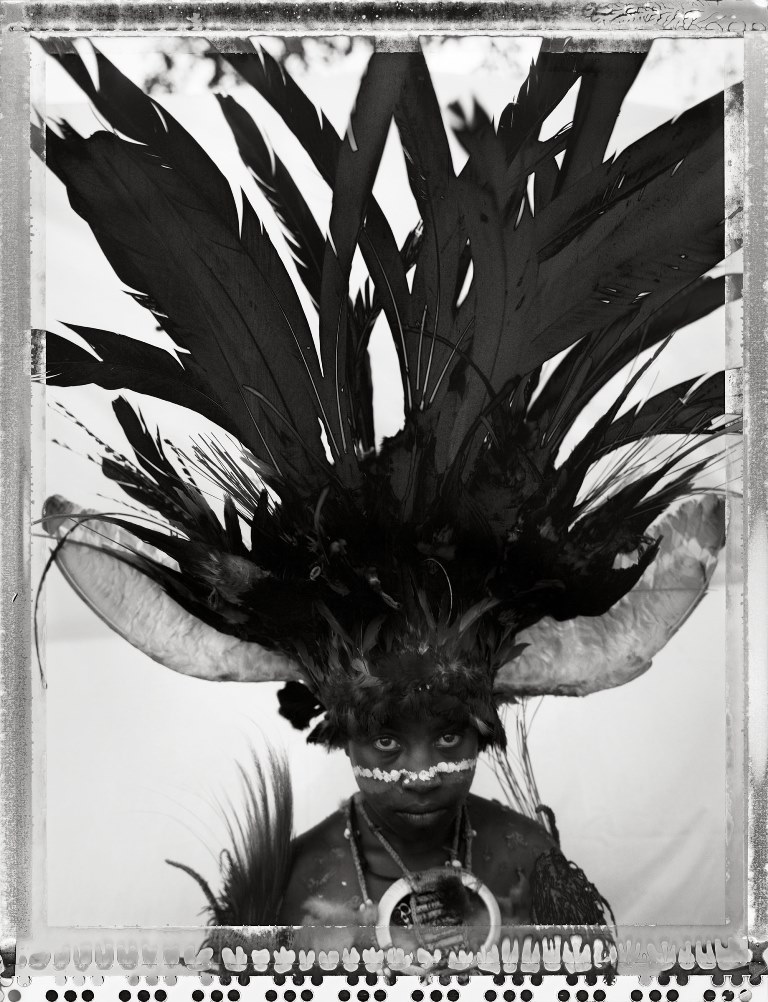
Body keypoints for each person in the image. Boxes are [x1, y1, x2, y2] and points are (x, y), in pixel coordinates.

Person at [40, 35, 733, 972]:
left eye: (448, 732)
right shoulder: (300, 888)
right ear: (339, 730)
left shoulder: (528, 866)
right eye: (385, 734)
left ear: (487, 725)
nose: (416, 770)